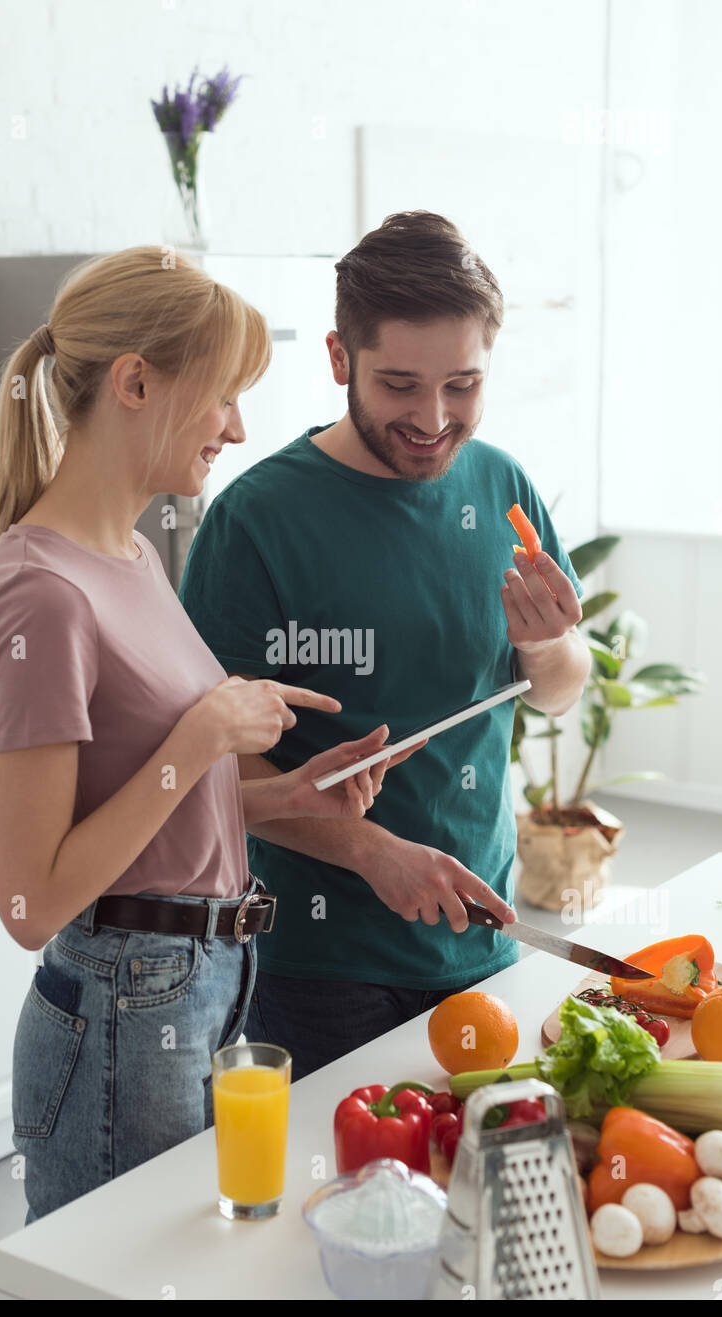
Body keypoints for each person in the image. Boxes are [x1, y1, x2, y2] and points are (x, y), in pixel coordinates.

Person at [0, 245, 427, 1223]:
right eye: (222, 395)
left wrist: (282, 796)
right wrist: (208, 732)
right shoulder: (45, 594)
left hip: (197, 987)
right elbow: (29, 899)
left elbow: (139, 817)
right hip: (125, 1010)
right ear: (135, 382)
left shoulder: (129, 554)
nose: (237, 426)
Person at [179, 211, 590, 1082]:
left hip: (481, 937)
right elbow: (207, 772)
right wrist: (368, 852)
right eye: (400, 385)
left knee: (465, 1187)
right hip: (317, 965)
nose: (434, 419)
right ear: (339, 360)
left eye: (462, 385)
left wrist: (548, 645)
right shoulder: (256, 521)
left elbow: (556, 691)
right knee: (338, 1202)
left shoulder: (501, 485)